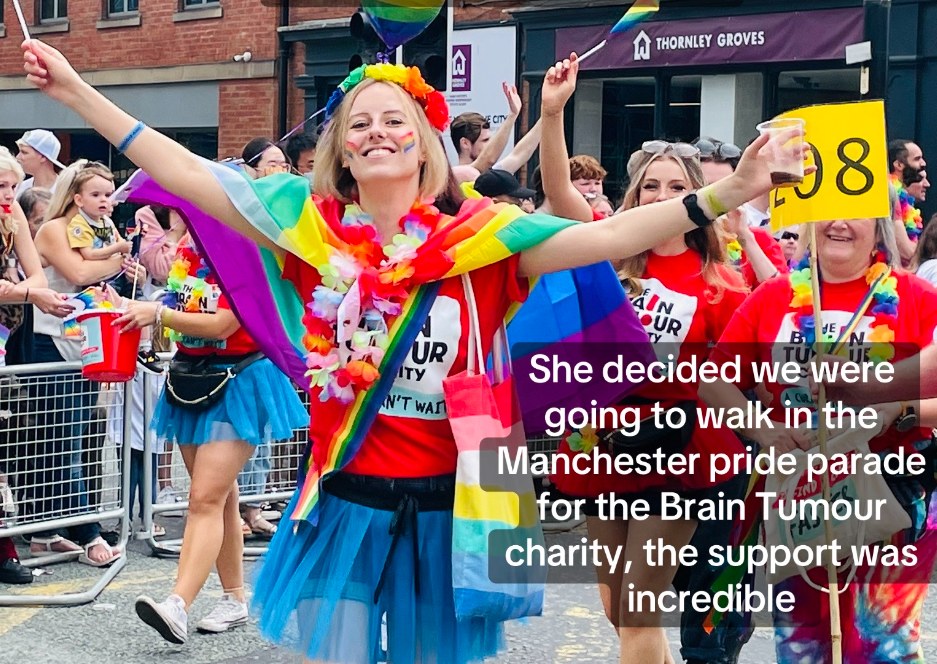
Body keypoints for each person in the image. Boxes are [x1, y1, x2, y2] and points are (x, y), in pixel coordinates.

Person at [23, 40, 802, 662]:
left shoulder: (484, 239)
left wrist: (727, 195)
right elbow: (187, 171)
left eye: (395, 119)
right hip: (348, 500)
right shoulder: (304, 222)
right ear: (341, 149)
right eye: (359, 123)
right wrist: (74, 93)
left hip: (451, 505)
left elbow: (606, 235)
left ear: (424, 142)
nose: (377, 133)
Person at [546, 142, 750, 664]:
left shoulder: (722, 285)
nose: (663, 196)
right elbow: (560, 193)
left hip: (679, 450)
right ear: (636, 199)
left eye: (678, 187)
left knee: (638, 608)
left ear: (698, 200)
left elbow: (739, 376)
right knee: (619, 609)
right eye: (651, 187)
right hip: (603, 443)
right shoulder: (607, 263)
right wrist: (550, 116)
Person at [705, 216, 937, 664]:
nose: (838, 222)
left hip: (893, 493)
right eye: (826, 209)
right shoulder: (772, 297)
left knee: (881, 644)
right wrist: (765, 431)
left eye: (855, 211)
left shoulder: (917, 297)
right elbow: (712, 379)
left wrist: (898, 410)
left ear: (879, 223)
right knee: (805, 644)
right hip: (799, 496)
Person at [101, 218, 306, 642]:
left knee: (205, 498)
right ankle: (234, 599)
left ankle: (177, 603)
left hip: (241, 379)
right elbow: (188, 317)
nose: (185, 217)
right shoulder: (190, 253)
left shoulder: (246, 254)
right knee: (220, 495)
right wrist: (150, 315)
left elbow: (223, 324)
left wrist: (156, 311)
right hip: (191, 376)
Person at [26, 159, 141, 566]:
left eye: (109, 193)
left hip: (91, 342)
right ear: (74, 195)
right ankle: (88, 532)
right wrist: (119, 259)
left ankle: (45, 529)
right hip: (51, 341)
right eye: (97, 193)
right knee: (64, 441)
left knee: (68, 442)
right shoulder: (55, 229)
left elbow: (120, 276)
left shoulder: (103, 229)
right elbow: (76, 270)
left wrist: (124, 265)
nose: (106, 201)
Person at [696, 136, 788, 288]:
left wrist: (745, 237)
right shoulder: (673, 240)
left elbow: (781, 294)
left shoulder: (758, 239)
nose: (715, 196)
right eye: (705, 188)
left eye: (725, 187)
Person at [449, 82, 522, 183]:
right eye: (485, 140)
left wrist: (548, 112)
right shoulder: (454, 176)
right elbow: (489, 158)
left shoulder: (489, 175)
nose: (490, 145)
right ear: (465, 143)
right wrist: (512, 115)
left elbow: (519, 154)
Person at [65, 167, 132, 261]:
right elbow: (89, 254)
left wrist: (125, 250)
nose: (103, 199)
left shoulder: (106, 221)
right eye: (95, 195)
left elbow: (119, 240)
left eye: (108, 195)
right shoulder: (79, 224)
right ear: (79, 200)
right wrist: (117, 248)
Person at [14, 129, 64, 198]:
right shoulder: (19, 188)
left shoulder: (65, 190)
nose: (17, 157)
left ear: (43, 157)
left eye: (24, 152)